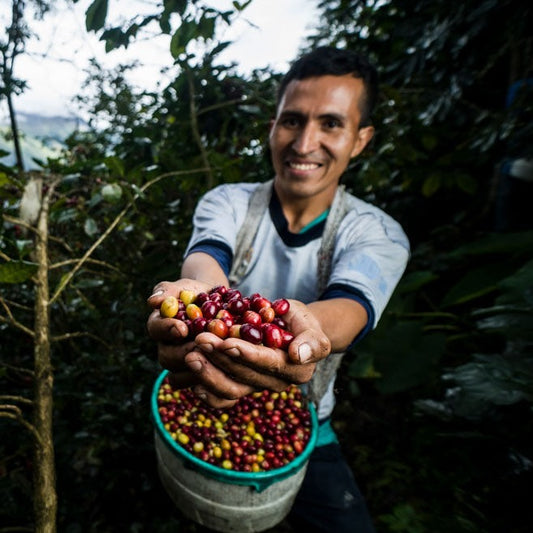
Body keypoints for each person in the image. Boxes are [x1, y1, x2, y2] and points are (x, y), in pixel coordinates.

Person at [147, 46, 410, 532]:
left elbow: (348, 312)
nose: (305, 142)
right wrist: (201, 301)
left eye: (331, 123)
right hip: (204, 386)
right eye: (291, 120)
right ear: (272, 126)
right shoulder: (227, 202)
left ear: (361, 139)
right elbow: (206, 264)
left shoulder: (378, 234)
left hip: (308, 416)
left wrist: (304, 335)